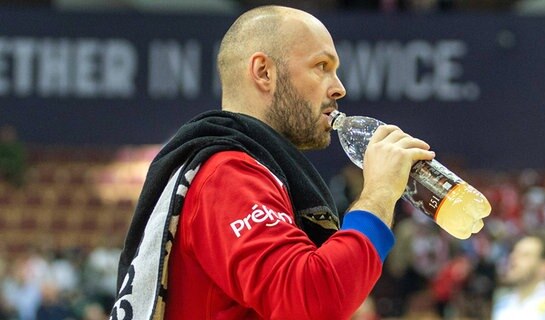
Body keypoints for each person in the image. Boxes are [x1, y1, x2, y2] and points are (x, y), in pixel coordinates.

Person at [110, 5, 435, 320]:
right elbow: (311, 300)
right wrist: (378, 194)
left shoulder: (251, 170)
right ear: (264, 72)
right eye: (322, 66)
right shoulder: (228, 174)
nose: (339, 88)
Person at [492, 235, 545, 320]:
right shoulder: (502, 303)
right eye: (514, 252)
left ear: (544, 267)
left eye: (525, 255)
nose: (513, 258)